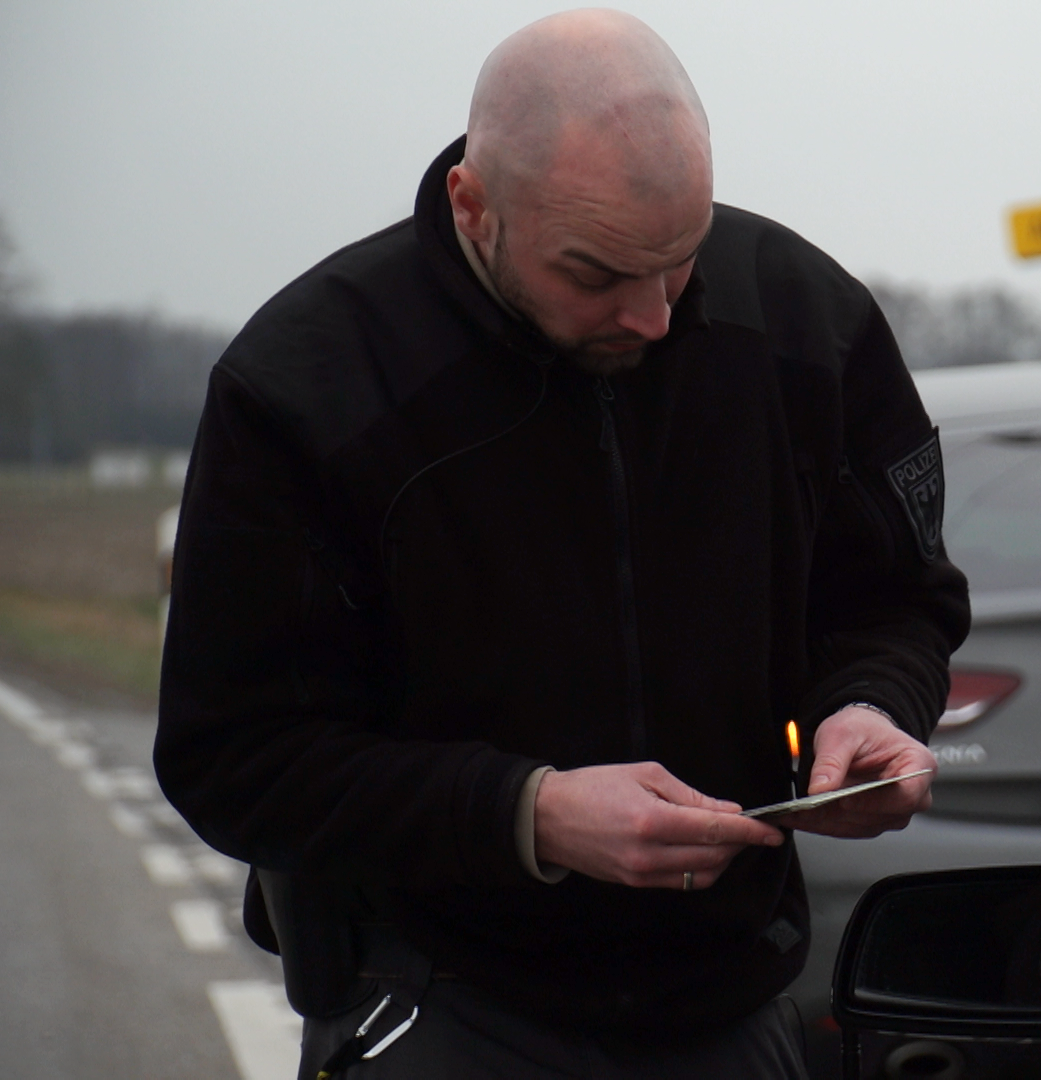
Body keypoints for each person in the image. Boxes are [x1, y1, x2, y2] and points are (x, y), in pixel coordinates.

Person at [152, 9, 969, 1077]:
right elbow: (233, 756)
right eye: (594, 274)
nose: (653, 318)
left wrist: (869, 707)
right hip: (443, 1005)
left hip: (734, 1009)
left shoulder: (806, 324)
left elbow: (894, 602)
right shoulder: (310, 387)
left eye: (678, 262)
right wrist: (526, 814)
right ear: (474, 206)